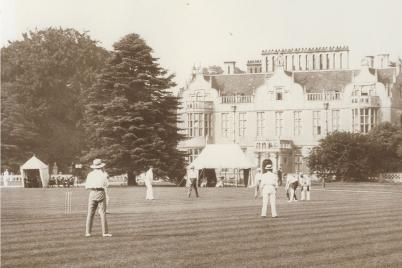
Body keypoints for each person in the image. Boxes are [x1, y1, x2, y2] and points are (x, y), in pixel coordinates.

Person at [85, 159, 112, 237]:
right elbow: (107, 185)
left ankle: (88, 232)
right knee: (103, 213)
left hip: (92, 192)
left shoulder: (90, 174)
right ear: (101, 166)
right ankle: (105, 232)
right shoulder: (103, 174)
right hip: (100, 192)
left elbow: (86, 186)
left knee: (90, 213)